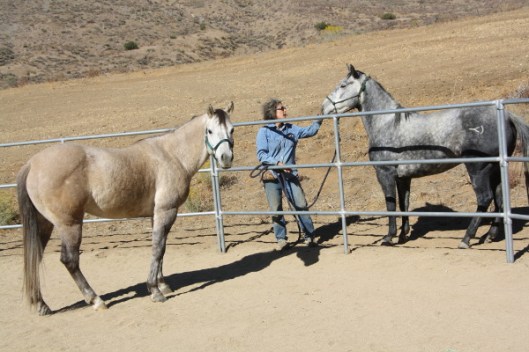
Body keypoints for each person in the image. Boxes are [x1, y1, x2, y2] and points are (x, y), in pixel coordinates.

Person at [256, 98, 322, 251]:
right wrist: (277, 163)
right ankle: (281, 239)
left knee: (301, 204)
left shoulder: (291, 128)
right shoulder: (264, 131)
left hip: (290, 175)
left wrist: (319, 119)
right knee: (276, 208)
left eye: (284, 108)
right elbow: (261, 154)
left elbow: (309, 131)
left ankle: (309, 235)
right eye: (282, 108)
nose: (285, 110)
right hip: (272, 176)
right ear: (273, 112)